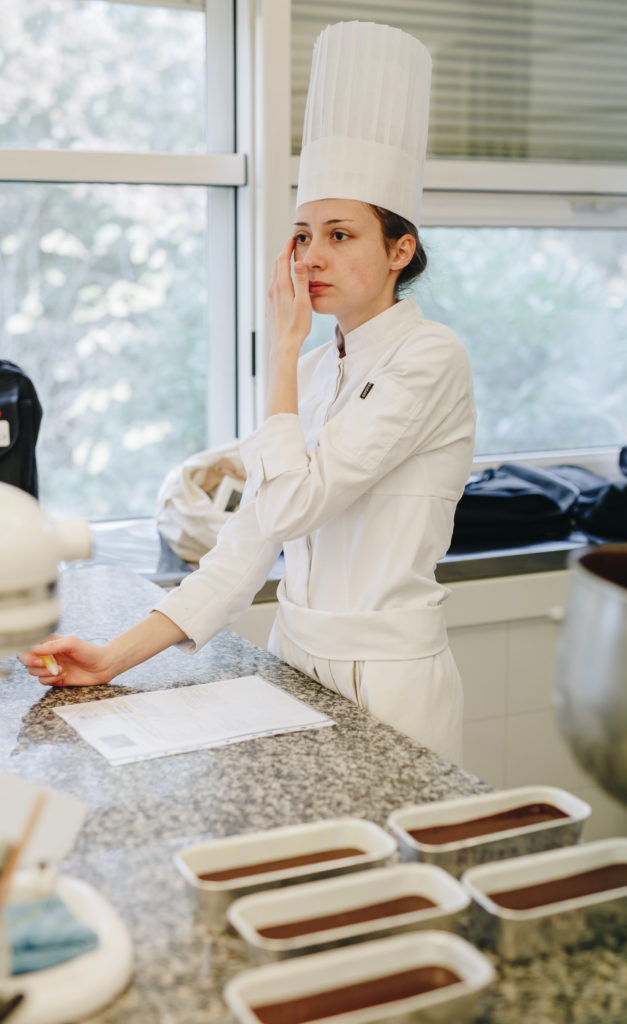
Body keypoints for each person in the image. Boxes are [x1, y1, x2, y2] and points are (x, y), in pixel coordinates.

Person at [20, 21, 475, 761]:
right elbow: (248, 543)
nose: (311, 257)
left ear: (400, 250)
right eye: (302, 235)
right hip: (293, 660)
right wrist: (111, 657)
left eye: (339, 235)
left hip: (389, 679)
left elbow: (296, 504)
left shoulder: (430, 357)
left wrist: (285, 349)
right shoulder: (322, 366)